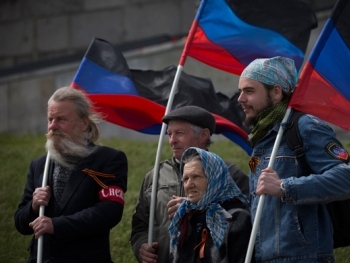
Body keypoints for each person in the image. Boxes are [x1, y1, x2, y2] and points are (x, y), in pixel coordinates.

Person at [237, 56, 350, 262]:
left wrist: (285, 187)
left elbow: (346, 178)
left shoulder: (306, 127)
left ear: (277, 92)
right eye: (240, 91)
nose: (240, 98)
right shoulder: (260, 140)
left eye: (249, 91)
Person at [14, 86, 128, 263]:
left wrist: (56, 225)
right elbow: (21, 223)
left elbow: (109, 211)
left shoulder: (108, 159)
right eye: (50, 119)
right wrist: (34, 207)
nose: (52, 126)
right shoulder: (39, 166)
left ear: (84, 123)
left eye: (61, 119)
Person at [130, 105, 249, 263]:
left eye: (179, 133)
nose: (172, 140)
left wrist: (197, 209)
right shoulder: (155, 176)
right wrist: (141, 246)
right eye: (169, 134)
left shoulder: (230, 174)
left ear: (204, 135)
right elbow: (140, 225)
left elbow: (245, 221)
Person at [169, 147, 252, 263]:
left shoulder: (236, 218)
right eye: (186, 179)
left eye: (196, 177)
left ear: (214, 179)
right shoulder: (183, 217)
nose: (189, 185)